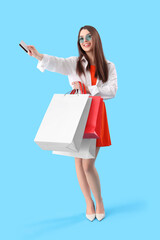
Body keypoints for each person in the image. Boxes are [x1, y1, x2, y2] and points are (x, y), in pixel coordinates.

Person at [27, 25, 118, 222]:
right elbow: (56, 63)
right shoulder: (74, 63)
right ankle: (88, 202)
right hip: (76, 113)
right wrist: (38, 55)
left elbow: (112, 90)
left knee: (88, 164)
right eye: (81, 38)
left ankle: (99, 200)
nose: (84, 41)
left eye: (88, 36)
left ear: (96, 39)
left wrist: (91, 89)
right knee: (77, 161)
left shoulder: (108, 65)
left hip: (95, 115)